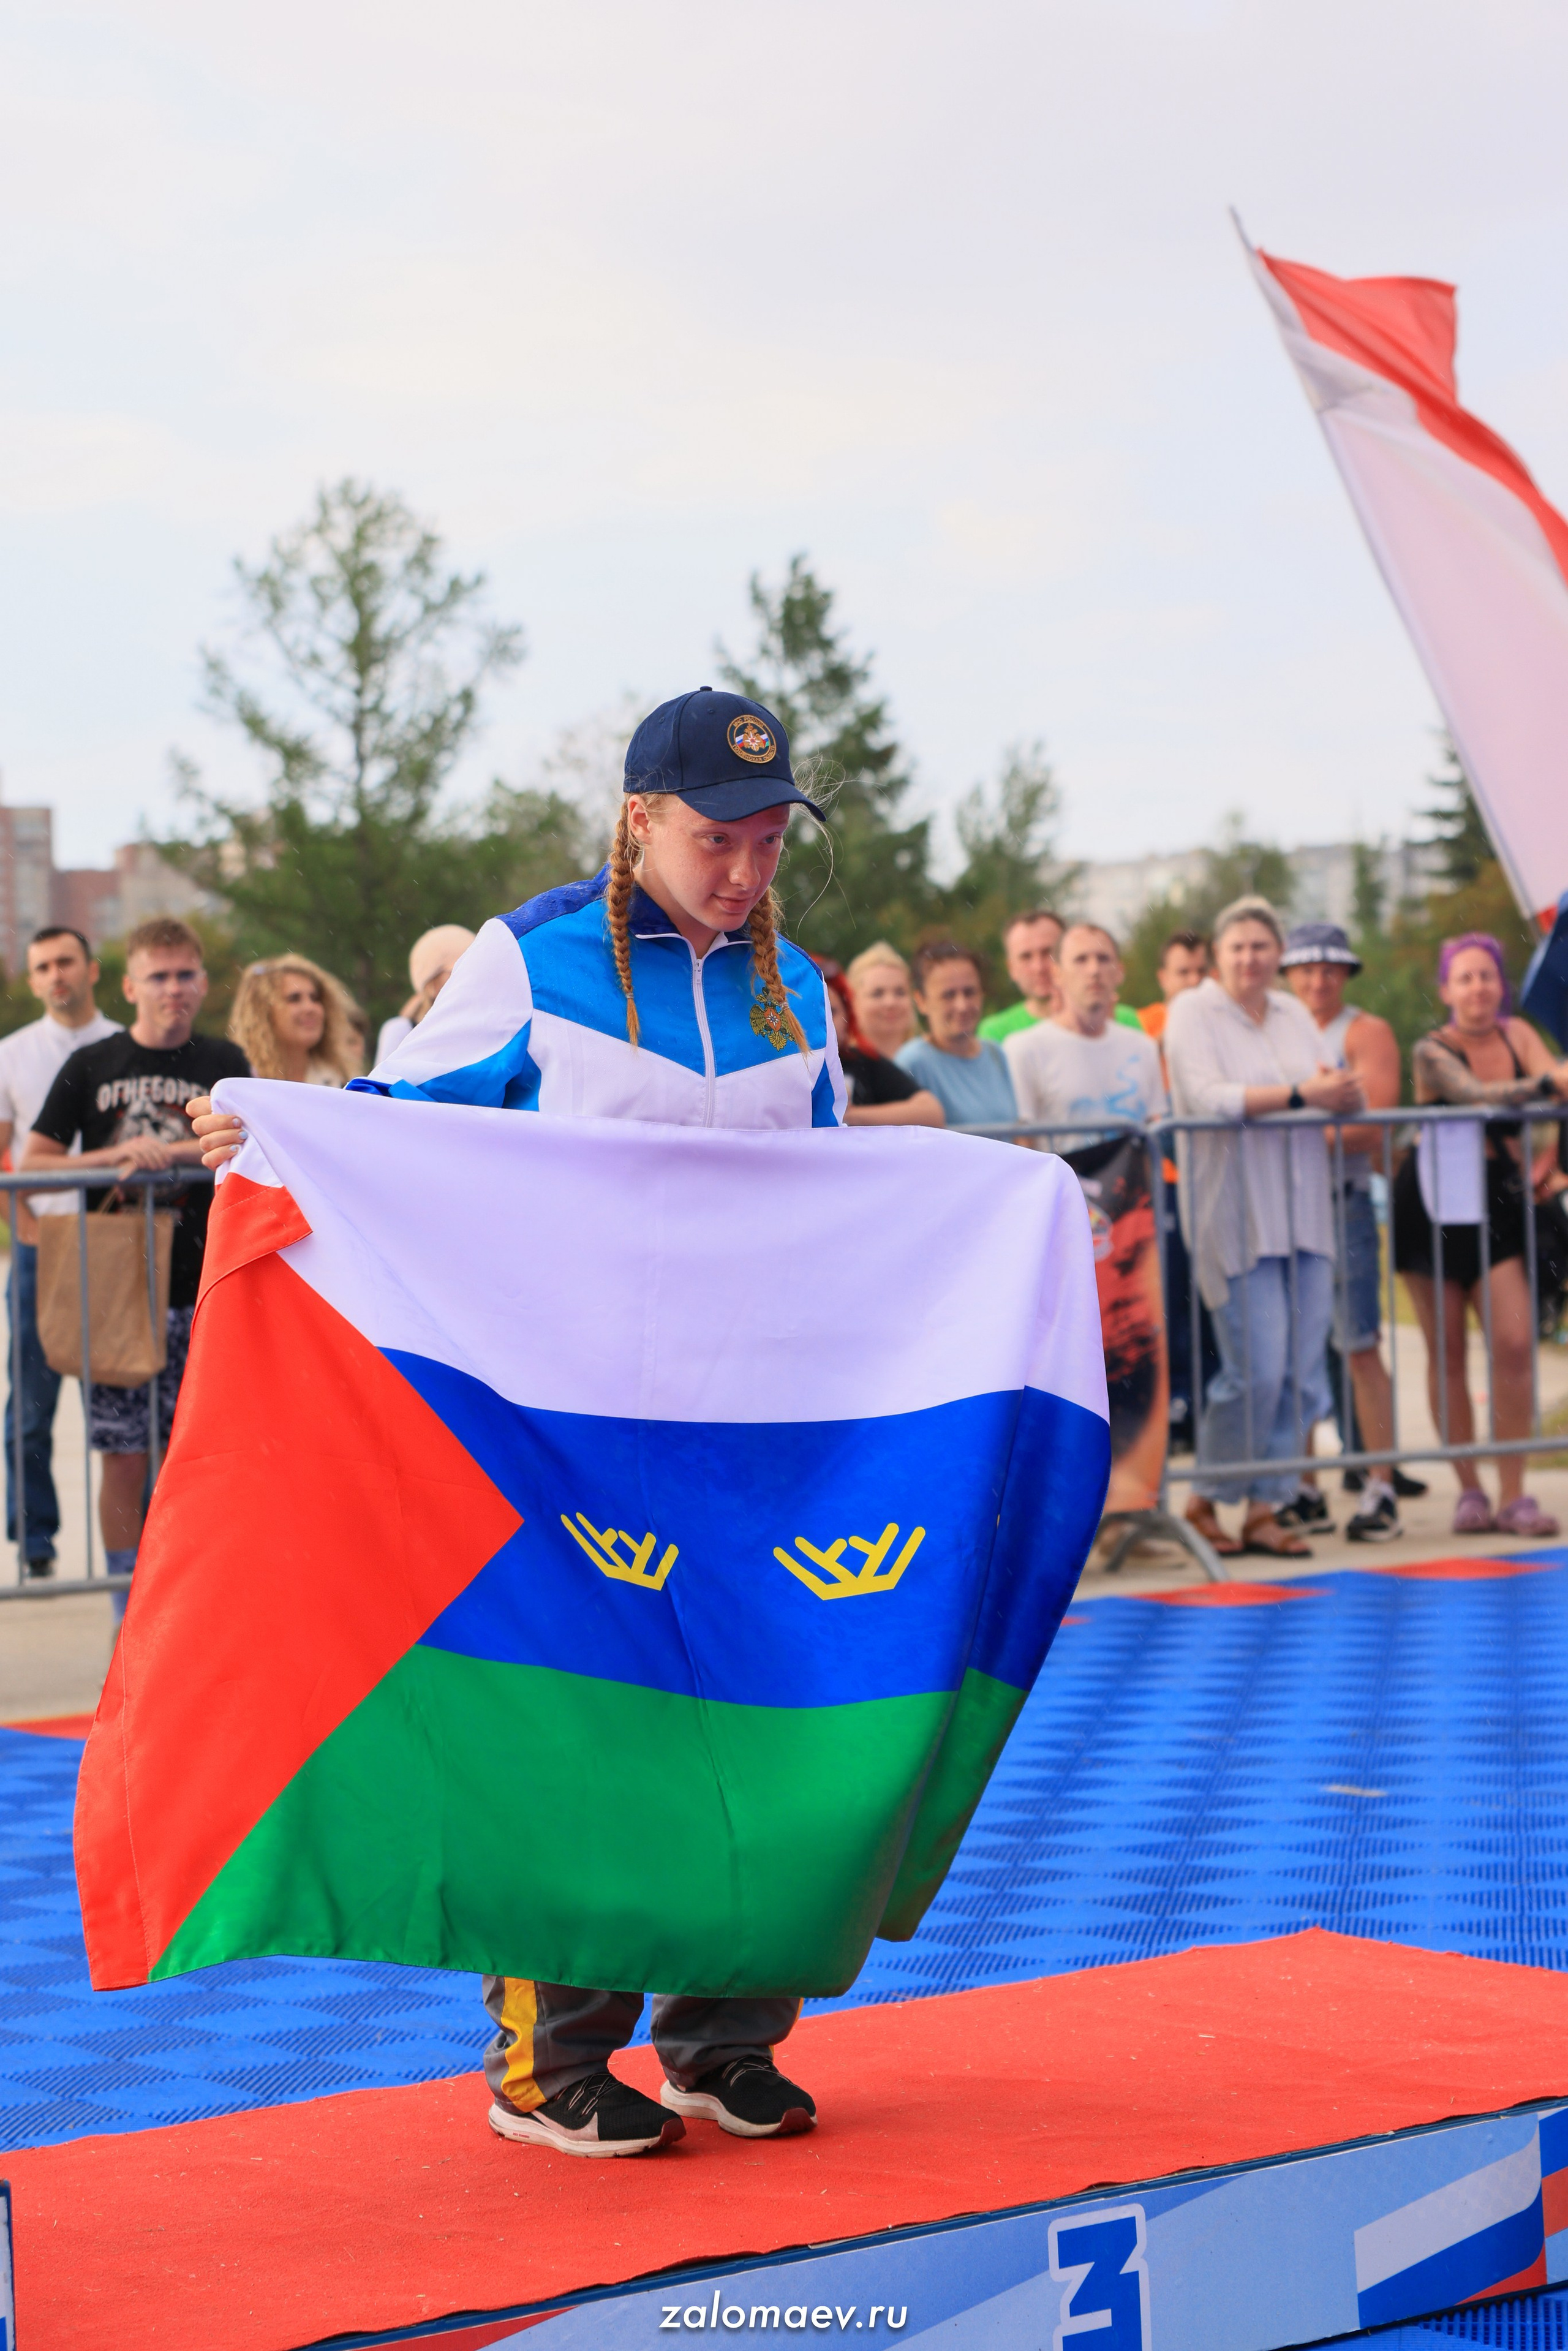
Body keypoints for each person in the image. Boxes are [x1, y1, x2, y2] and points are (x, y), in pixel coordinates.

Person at [195, 686, 840, 2159]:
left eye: (765, 841)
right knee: (595, 1739)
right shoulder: (530, 957)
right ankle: (549, 2062)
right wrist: (282, 1126)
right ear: (636, 821)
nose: (743, 868)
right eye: (713, 836)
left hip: (750, 1430)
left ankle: (723, 2038)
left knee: (769, 1735)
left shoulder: (791, 985)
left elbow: (835, 1196)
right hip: (570, 1433)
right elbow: (400, 1114)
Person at [23, 919, 248, 1618]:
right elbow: (33, 1165)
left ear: (203, 984)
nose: (172, 989)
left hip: (209, 1284)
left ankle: (198, 1607)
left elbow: (256, 1150)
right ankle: (128, 1609)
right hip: (118, 1290)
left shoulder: (225, 1058)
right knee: (123, 1457)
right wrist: (121, 1159)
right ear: (129, 986)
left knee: (208, 1456)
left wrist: (176, 1153)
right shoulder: (92, 1064)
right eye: (157, 976)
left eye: (184, 975)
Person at [1163, 896, 1363, 1558]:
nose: (1250, 958)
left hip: (1303, 1212)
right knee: (1257, 1368)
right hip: (1236, 1216)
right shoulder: (1193, 1010)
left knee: (1300, 1370)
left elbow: (1324, 1086)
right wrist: (1306, 1096)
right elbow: (1207, 1099)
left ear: (1278, 954)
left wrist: (1338, 1093)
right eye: (1238, 946)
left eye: (1261, 946)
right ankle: (1204, 1498)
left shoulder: (1293, 1013)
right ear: (1219, 956)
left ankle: (1262, 1507)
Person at [1391, 932, 1568, 1539]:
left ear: (1502, 985)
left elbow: (1557, 1088)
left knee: (1514, 1345)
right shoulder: (1429, 1049)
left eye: (1486, 976)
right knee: (1447, 1350)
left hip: (1497, 1197)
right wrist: (1549, 1085)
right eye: (1464, 978)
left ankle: (1515, 1493)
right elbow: (1475, 1097)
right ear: (1445, 990)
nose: (1477, 988)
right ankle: (1469, 1489)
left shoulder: (1518, 1034)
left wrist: (1547, 1146)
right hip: (1433, 1197)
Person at [1279, 921, 1417, 1544]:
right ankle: (1302, 1484)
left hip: (1342, 1199)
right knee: (1294, 1351)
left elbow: (1372, 1123)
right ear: (1288, 973)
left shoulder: (1366, 1031)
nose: (1317, 978)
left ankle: (1379, 1484)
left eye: (1330, 967)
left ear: (1346, 972)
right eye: (1306, 967)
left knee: (1358, 1341)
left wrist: (1283, 1124)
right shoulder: (1277, 1025)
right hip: (1283, 1203)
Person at [0, 927, 123, 1577]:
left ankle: (133, 1541)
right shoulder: (12, 1054)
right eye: (42, 966)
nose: (56, 975)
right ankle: (36, 1536)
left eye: (65, 961)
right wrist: (20, 1222)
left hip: (117, 1244)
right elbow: (4, 1149)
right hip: (43, 1243)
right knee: (33, 1396)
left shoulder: (125, 1045)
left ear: (93, 968)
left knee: (122, 1398)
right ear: (33, 978)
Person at [1004, 924, 1166, 1148]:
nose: (1094, 970)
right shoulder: (1023, 1048)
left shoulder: (1143, 1047)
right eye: (1081, 960)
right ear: (1057, 974)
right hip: (1062, 1182)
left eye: (1103, 959)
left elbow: (1152, 1138)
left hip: (1130, 1183)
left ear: (1119, 972)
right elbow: (1023, 1143)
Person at [896, 943, 1019, 1130]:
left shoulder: (996, 1053)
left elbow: (1018, 1131)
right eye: (948, 995)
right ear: (921, 1001)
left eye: (970, 992)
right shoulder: (912, 1063)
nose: (962, 1006)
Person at [816, 963, 943, 1127]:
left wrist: (849, 1116)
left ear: (848, 1014)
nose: (890, 1003)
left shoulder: (863, 1062)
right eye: (877, 994)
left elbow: (932, 1113)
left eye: (832, 1011)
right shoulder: (782, 1065)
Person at [229, 955, 363, 1087]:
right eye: (294, 999)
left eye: (315, 998)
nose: (310, 1008)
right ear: (262, 1011)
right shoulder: (240, 1079)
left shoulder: (343, 1080)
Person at [374, 926, 477, 1065]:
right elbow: (383, 1084)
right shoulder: (401, 1031)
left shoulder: (483, 1029)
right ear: (430, 982)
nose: (470, 978)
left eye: (474, 969)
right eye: (456, 971)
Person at [978, 909, 1063, 1044]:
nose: (1039, 967)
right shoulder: (995, 1034)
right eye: (1026, 957)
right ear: (1011, 969)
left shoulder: (1107, 1018)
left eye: (1048, 952)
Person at [845, 941, 919, 1062]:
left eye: (900, 992)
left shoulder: (929, 1064)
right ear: (853, 1002)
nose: (890, 1003)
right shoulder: (841, 1068)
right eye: (877, 994)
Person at [1139, 930, 1208, 1043]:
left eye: (1202, 971)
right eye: (1184, 972)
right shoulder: (1141, 1024)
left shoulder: (1223, 1020)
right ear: (1163, 978)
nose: (1195, 981)